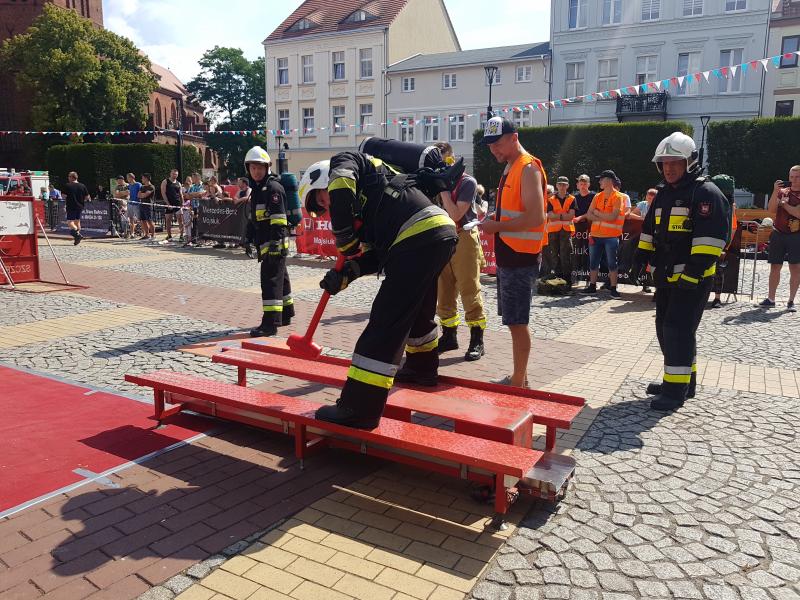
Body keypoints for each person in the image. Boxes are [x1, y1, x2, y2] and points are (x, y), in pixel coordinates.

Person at [299, 143, 460, 428]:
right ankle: (422, 369)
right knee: (417, 310)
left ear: (325, 180)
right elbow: (379, 257)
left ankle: (358, 408)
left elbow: (341, 187)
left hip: (420, 236)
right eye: (320, 208)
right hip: (437, 234)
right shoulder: (373, 204)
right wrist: (347, 274)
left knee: (386, 320)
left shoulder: (346, 162)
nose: (326, 207)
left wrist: (344, 236)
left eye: (322, 199)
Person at [635, 132, 729, 411]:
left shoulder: (705, 193)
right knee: (669, 330)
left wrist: (692, 273)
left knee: (677, 330)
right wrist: (640, 256)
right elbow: (650, 230)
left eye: (675, 162)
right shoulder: (664, 194)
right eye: (664, 163)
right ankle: (684, 381)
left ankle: (674, 391)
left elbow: (712, 240)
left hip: (692, 279)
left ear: (690, 162)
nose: (669, 168)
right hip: (666, 277)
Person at [477, 116, 547, 388]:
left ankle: (518, 381)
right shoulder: (512, 166)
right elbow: (519, 211)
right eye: (490, 145)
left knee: (518, 322)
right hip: (512, 254)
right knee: (513, 321)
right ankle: (520, 377)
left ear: (514, 138)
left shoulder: (527, 168)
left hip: (521, 256)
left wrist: (496, 225)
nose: (494, 149)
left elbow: (536, 217)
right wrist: (497, 217)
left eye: (498, 143)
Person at [432, 142, 487, 362]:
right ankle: (449, 336)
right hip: (442, 238)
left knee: (468, 289)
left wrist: (443, 188)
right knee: (443, 291)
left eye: (444, 159)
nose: (442, 164)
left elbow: (455, 214)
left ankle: (477, 340)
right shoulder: (435, 181)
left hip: (463, 237)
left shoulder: (467, 182)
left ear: (452, 159)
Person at [245, 147, 293, 337]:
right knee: (281, 279)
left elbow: (279, 219)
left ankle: (269, 324)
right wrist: (247, 238)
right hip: (266, 242)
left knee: (270, 282)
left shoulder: (273, 189)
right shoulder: (257, 189)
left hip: (274, 243)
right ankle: (286, 314)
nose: (256, 171)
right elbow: (254, 218)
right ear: (248, 169)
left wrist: (275, 244)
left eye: (260, 168)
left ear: (267, 168)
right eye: (253, 168)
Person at [581, 170, 625, 298]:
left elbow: (613, 216)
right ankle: (592, 287)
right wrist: (599, 215)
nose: (599, 181)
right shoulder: (597, 196)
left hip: (611, 236)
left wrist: (597, 213)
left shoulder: (618, 197)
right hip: (595, 235)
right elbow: (589, 214)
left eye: (601, 179)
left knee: (612, 263)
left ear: (609, 180)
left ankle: (613, 288)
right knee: (593, 263)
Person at [762, 166, 800, 311]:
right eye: (792, 177)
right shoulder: (783, 191)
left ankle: (791, 301)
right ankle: (771, 299)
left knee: (795, 268)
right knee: (774, 266)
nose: (794, 180)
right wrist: (775, 191)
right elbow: (771, 209)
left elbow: (798, 213)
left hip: (796, 235)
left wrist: (784, 204)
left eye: (797, 177)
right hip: (778, 233)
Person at [709, 174, 738, 309]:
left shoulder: (716, 203)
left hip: (711, 242)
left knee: (714, 270)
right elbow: (732, 228)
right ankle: (717, 299)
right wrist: (726, 246)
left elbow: (732, 226)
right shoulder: (729, 205)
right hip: (720, 243)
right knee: (718, 271)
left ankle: (715, 298)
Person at [543, 175, 575, 288]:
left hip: (565, 231)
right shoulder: (550, 199)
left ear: (567, 186)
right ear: (556, 185)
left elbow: (571, 216)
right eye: (560, 184)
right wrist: (563, 215)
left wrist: (558, 216)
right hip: (553, 231)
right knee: (554, 255)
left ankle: (567, 280)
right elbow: (550, 215)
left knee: (566, 255)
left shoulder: (572, 198)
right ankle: (558, 277)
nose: (562, 186)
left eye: (564, 184)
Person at [629, 188, 658, 293]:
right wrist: (643, 219)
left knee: (651, 262)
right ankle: (635, 275)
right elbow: (630, 215)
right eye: (648, 197)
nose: (650, 200)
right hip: (642, 236)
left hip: (655, 238)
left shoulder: (659, 205)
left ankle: (648, 284)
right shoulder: (643, 204)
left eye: (652, 198)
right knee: (640, 258)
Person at [63, 171, 90, 245]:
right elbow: (87, 197)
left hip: (71, 205)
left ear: (72, 177)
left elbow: (63, 196)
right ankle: (77, 238)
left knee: (70, 222)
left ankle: (77, 234)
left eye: (69, 176)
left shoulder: (67, 185)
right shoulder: (82, 186)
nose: (68, 178)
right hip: (80, 206)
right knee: (77, 221)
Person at [161, 169, 183, 242]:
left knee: (180, 219)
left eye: (176, 174)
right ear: (170, 174)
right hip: (169, 203)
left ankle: (181, 235)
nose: (174, 175)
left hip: (177, 203)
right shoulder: (165, 182)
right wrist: (167, 204)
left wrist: (182, 203)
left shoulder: (178, 183)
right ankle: (169, 235)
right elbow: (163, 193)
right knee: (168, 220)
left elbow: (181, 194)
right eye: (173, 174)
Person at [138, 173, 155, 241]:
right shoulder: (142, 187)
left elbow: (145, 195)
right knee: (143, 220)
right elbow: (139, 195)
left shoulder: (151, 187)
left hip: (148, 205)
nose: (142, 179)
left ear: (146, 178)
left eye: (142, 178)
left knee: (149, 220)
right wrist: (142, 194)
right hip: (142, 205)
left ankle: (153, 235)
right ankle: (146, 234)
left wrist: (143, 194)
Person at [126, 173, 142, 237]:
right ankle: (132, 233)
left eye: (128, 178)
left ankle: (144, 232)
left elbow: (140, 192)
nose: (127, 179)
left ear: (131, 178)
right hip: (130, 203)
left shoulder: (138, 184)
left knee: (140, 219)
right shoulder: (129, 185)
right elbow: (128, 194)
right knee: (131, 218)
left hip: (137, 203)